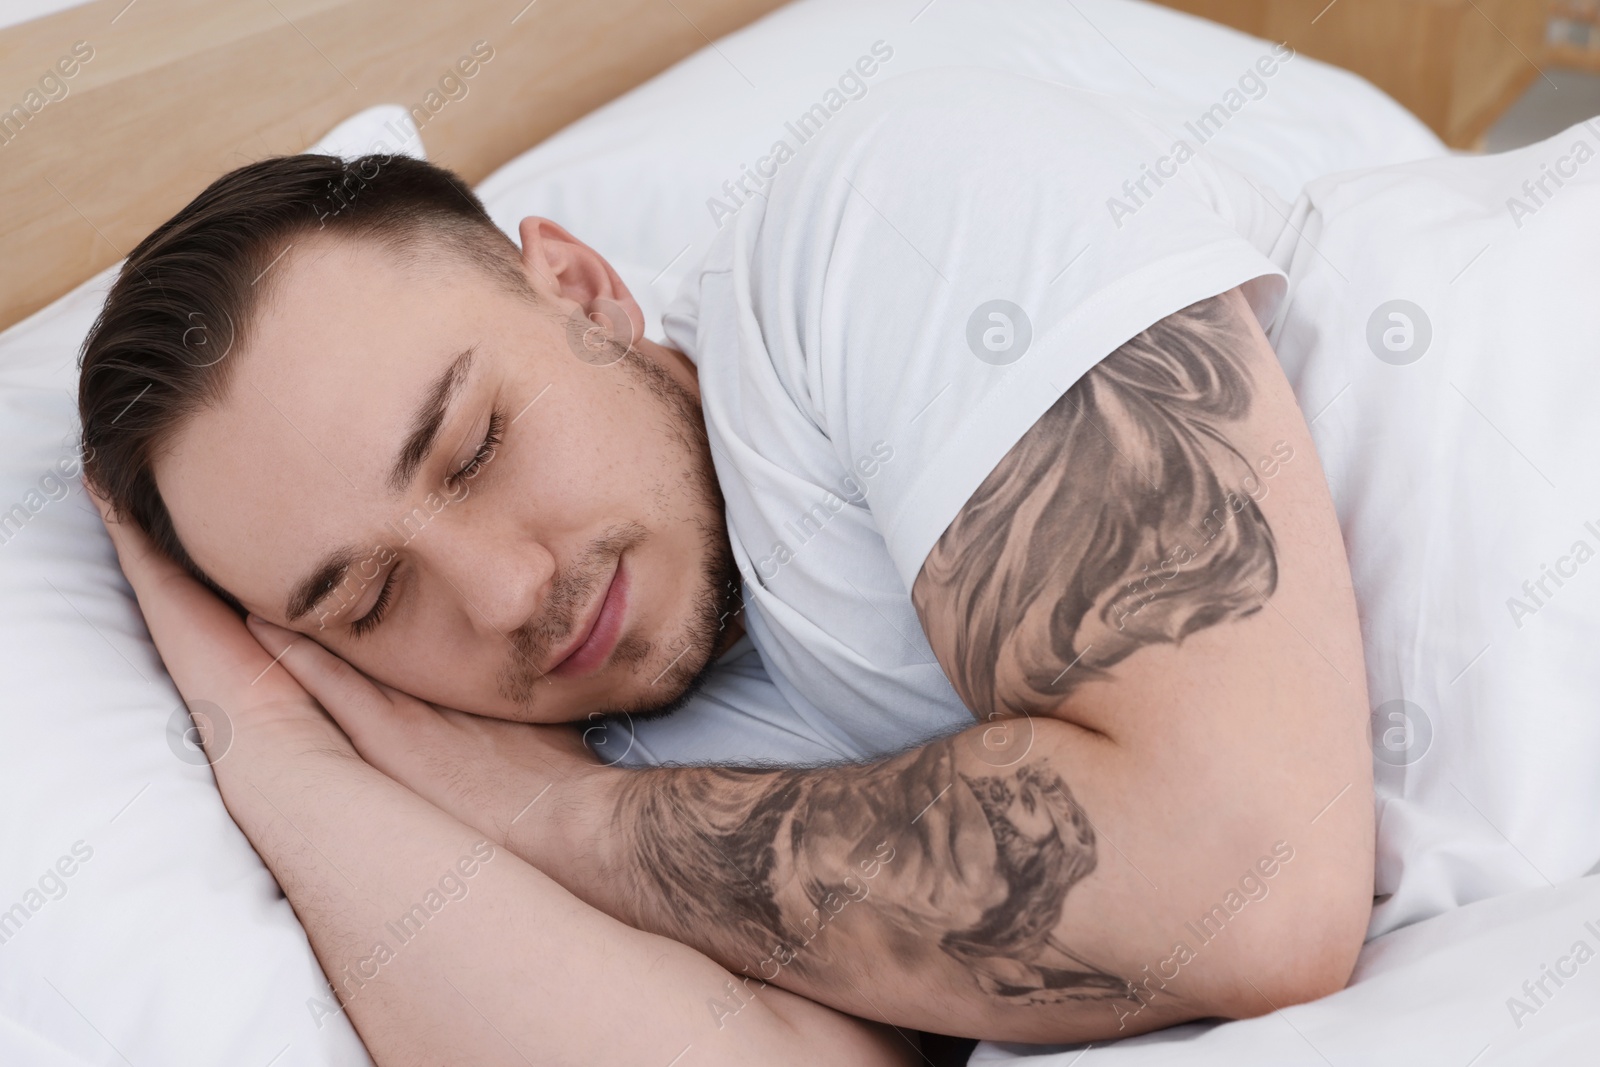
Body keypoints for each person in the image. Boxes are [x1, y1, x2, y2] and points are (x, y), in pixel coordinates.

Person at [78, 68, 1373, 1064]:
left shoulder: (876, 226)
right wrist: (266, 739)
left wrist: (560, 822)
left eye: (475, 450)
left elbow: (1257, 880)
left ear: (581, 288)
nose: (507, 595)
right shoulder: (621, 750)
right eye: (369, 601)